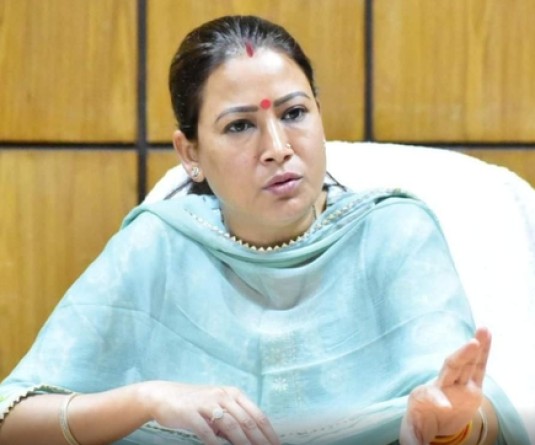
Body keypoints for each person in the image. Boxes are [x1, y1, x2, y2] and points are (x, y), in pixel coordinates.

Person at [0, 15, 529, 445]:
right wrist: (149, 399)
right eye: (240, 125)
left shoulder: (394, 234)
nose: (277, 147)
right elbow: (14, 421)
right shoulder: (157, 246)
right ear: (189, 153)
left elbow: (458, 405)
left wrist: (455, 427)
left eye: (295, 113)